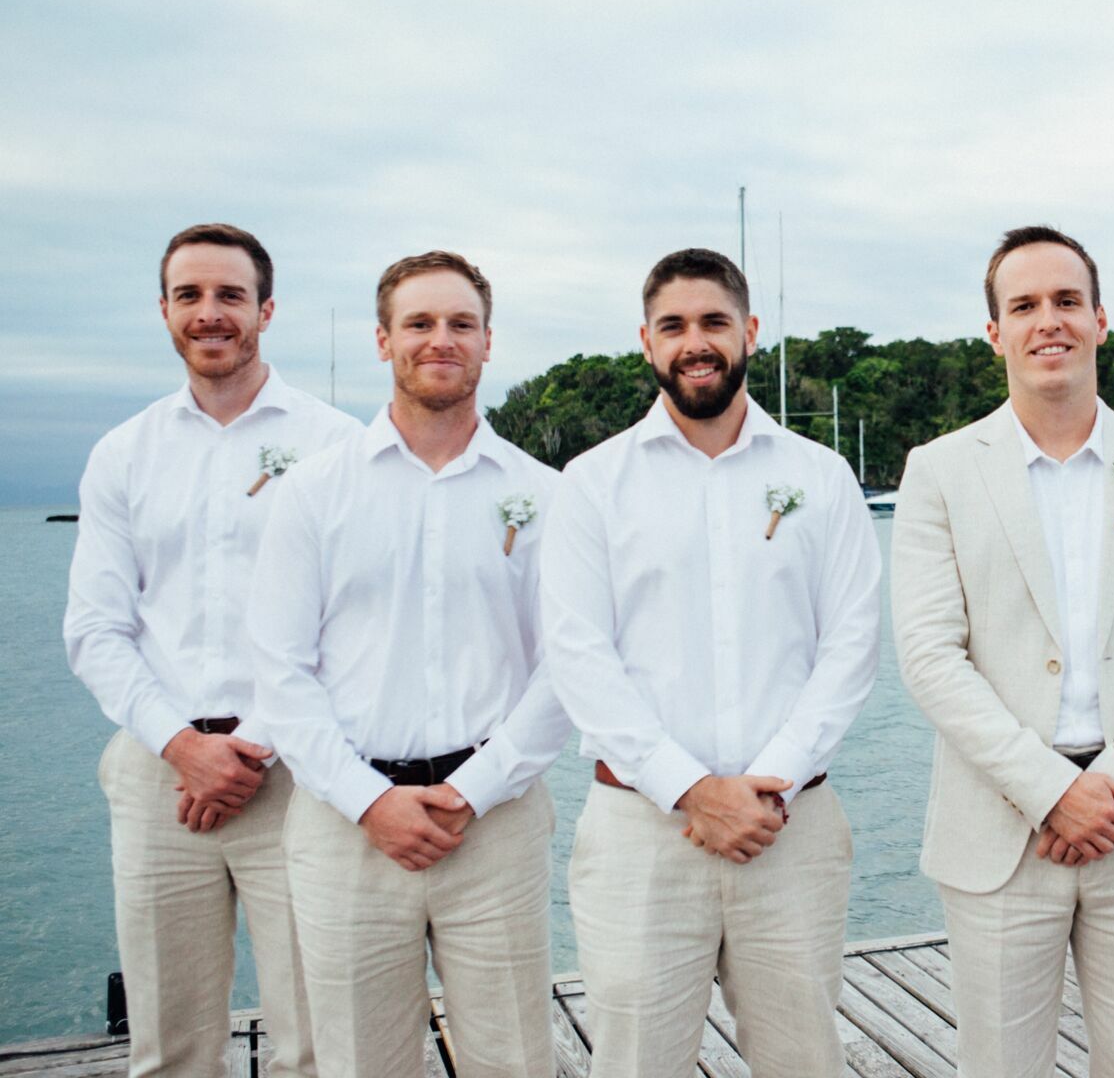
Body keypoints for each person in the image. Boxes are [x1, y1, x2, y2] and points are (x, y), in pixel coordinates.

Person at [891, 225, 1114, 1078]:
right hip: (1003, 832)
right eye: (1025, 305)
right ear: (995, 332)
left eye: (1066, 301)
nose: (1049, 321)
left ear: (1100, 319)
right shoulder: (938, 471)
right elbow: (932, 657)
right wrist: (1052, 793)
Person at [542, 248, 881, 1075]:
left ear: (750, 332)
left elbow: (851, 643)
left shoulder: (821, 476)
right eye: (675, 326)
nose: (696, 342)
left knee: (803, 1057)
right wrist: (693, 791)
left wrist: (771, 782)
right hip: (640, 833)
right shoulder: (593, 484)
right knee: (635, 1061)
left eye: (714, 322)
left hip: (790, 829)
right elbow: (579, 656)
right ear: (648, 343)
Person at [248, 250, 569, 1078]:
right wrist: (369, 801)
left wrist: (475, 788)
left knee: (517, 1059)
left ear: (488, 342)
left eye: (461, 323)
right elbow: (281, 670)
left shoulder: (544, 494)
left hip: (492, 820)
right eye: (420, 323)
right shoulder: (314, 492)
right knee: (359, 1062)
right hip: (346, 824)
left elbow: (566, 667)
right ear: (383, 338)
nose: (441, 339)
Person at [64, 223, 354, 1076]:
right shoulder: (123, 454)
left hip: (298, 772)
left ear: (266, 309)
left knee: (317, 1031)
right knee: (170, 1040)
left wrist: (253, 745)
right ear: (164, 311)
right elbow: (96, 627)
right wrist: (186, 748)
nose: (209, 313)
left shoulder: (333, 444)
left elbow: (347, 623)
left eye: (229, 295)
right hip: (160, 774)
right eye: (189, 295)